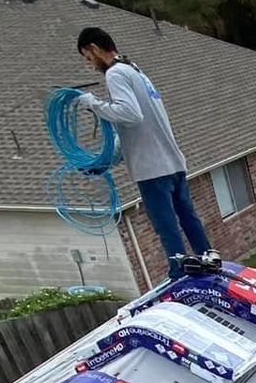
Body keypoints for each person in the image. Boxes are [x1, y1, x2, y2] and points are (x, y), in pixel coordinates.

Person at [74, 26, 216, 276]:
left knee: (166, 225)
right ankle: (209, 258)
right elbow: (135, 130)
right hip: (172, 162)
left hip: (151, 169)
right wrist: (104, 162)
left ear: (95, 49)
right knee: (187, 216)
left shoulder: (115, 74)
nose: (90, 64)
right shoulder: (134, 69)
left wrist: (92, 103)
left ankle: (179, 271)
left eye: (88, 57)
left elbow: (131, 115)